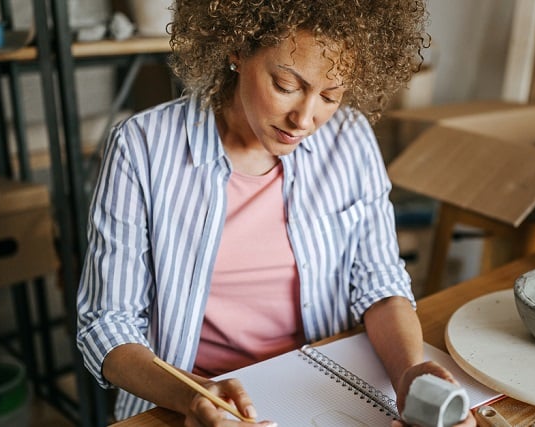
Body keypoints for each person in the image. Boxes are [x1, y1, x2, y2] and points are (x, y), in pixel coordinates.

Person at [76, 0, 477, 426]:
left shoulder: (350, 140)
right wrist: (193, 397)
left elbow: (379, 283)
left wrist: (409, 375)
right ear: (237, 49)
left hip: (319, 388)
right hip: (187, 397)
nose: (304, 119)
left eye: (330, 95)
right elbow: (107, 325)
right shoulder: (142, 148)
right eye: (286, 85)